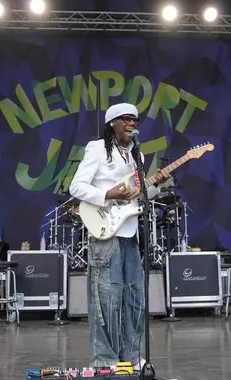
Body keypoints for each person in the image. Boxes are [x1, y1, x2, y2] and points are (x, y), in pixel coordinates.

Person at [69, 103, 170, 370]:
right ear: (112, 122)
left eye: (135, 120)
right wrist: (108, 194)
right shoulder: (97, 149)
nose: (133, 123)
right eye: (127, 119)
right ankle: (105, 360)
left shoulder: (138, 156)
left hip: (130, 233)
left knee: (135, 298)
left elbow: (138, 195)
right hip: (105, 234)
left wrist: (156, 184)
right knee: (107, 301)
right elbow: (76, 186)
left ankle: (132, 357)